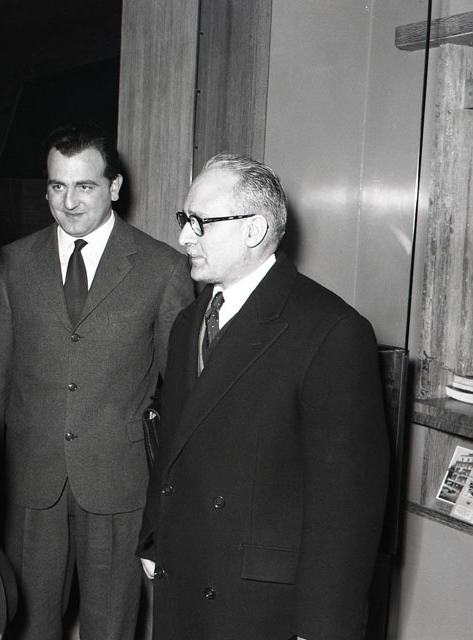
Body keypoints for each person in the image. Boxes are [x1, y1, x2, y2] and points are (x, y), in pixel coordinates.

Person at [138, 153, 390, 640]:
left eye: (199, 222)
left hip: (260, 604)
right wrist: (154, 538)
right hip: (183, 575)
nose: (184, 236)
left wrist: (324, 628)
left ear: (253, 230)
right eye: (184, 219)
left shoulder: (332, 331)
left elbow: (346, 508)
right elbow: (173, 446)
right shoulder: (190, 321)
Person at [0, 123, 194, 640]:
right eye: (57, 186)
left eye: (85, 186)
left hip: (119, 484)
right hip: (30, 484)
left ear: (114, 187)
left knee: (110, 627)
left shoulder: (163, 268)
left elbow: (181, 392)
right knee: (27, 626)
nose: (69, 202)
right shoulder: (10, 264)